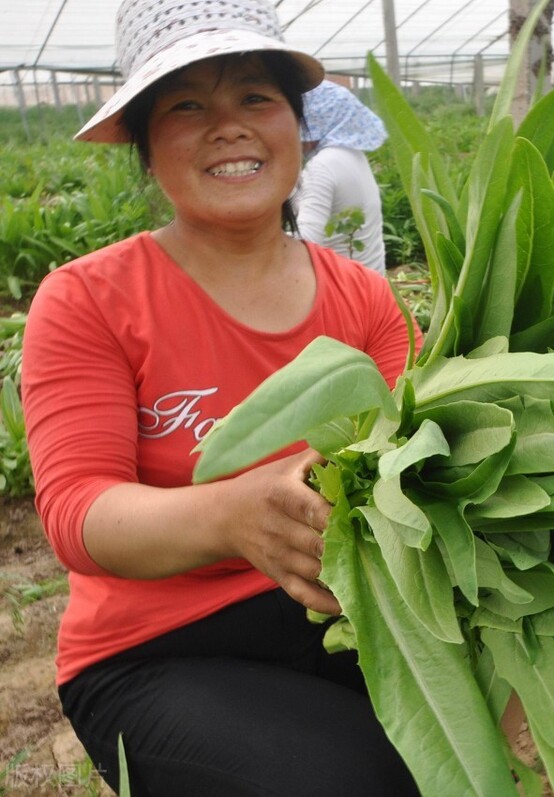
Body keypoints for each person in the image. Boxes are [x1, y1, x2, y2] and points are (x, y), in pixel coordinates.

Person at [22, 0, 422, 793]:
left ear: (298, 127)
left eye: (255, 97)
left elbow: (414, 469)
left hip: (344, 618)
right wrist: (233, 515)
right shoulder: (89, 298)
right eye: (187, 105)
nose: (229, 125)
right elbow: (77, 512)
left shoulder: (365, 302)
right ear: (145, 143)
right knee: (348, 780)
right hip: (158, 647)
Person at [295, 80, 389, 276]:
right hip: (371, 280)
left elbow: (307, 241)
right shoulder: (352, 155)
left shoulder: (322, 166)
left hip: (344, 288)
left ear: (315, 122)